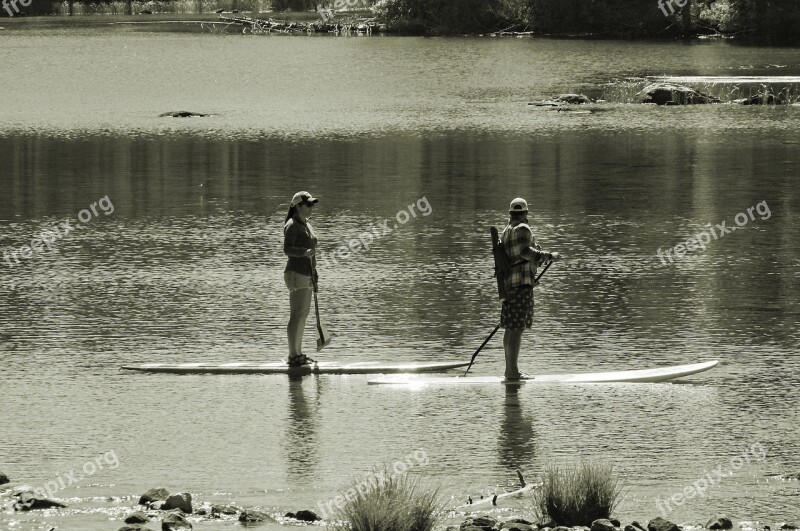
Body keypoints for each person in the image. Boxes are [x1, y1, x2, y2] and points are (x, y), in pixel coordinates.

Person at [499, 197, 561, 380]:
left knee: (510, 327)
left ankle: (509, 370)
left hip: (510, 284)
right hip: (520, 285)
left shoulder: (506, 231)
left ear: (511, 214)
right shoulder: (523, 229)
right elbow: (525, 252)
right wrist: (549, 256)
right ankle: (513, 372)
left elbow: (515, 256)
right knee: (517, 327)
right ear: (525, 214)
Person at [283, 191, 319, 367]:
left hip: (307, 274)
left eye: (312, 204)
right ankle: (293, 355)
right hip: (295, 273)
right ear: (298, 206)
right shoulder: (292, 225)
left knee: (303, 314)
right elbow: (287, 249)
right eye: (308, 205)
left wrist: (315, 274)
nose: (311, 207)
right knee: (297, 314)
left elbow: (312, 253)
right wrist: (303, 253)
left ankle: (298, 354)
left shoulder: (306, 225)